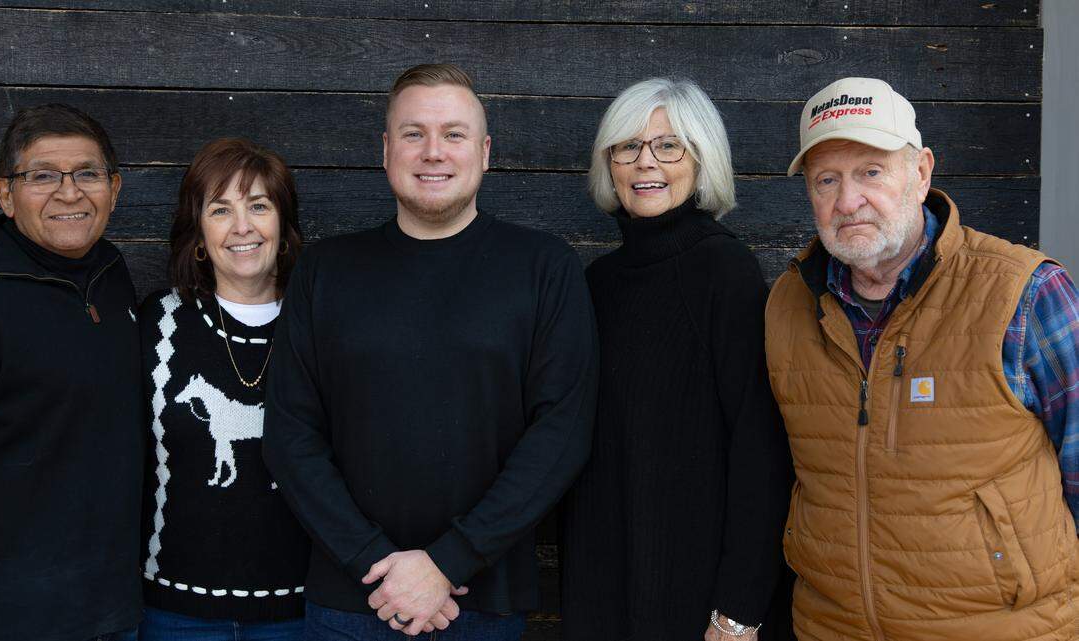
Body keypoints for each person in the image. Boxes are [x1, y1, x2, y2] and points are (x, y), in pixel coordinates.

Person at [262, 63, 599, 641]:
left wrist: (450, 562)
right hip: (350, 600)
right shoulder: (326, 270)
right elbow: (291, 432)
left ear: (485, 151)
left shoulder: (544, 268)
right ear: (386, 149)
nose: (433, 152)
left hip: (483, 602)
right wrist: (375, 563)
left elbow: (561, 432)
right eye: (414, 134)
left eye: (454, 134)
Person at [768, 76, 1079, 641]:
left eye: (870, 172)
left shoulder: (1026, 294)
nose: (847, 200)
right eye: (826, 180)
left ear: (921, 172)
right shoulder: (789, 303)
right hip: (830, 627)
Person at [559, 77, 793, 641]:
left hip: (698, 596)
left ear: (701, 160)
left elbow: (761, 449)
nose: (646, 163)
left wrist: (738, 610)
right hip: (605, 581)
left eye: (668, 146)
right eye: (627, 147)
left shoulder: (724, 272)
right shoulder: (599, 283)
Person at [0, 104, 142, 641]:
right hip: (10, 622)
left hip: (118, 614)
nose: (70, 193)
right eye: (43, 176)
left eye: (88, 174)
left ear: (115, 189)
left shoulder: (112, 278)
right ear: (5, 194)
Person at [137, 138, 310, 640]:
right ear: (199, 233)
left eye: (259, 206)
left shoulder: (320, 320)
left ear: (283, 224)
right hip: (175, 612)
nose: (242, 227)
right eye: (220, 210)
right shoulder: (159, 322)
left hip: (298, 612)